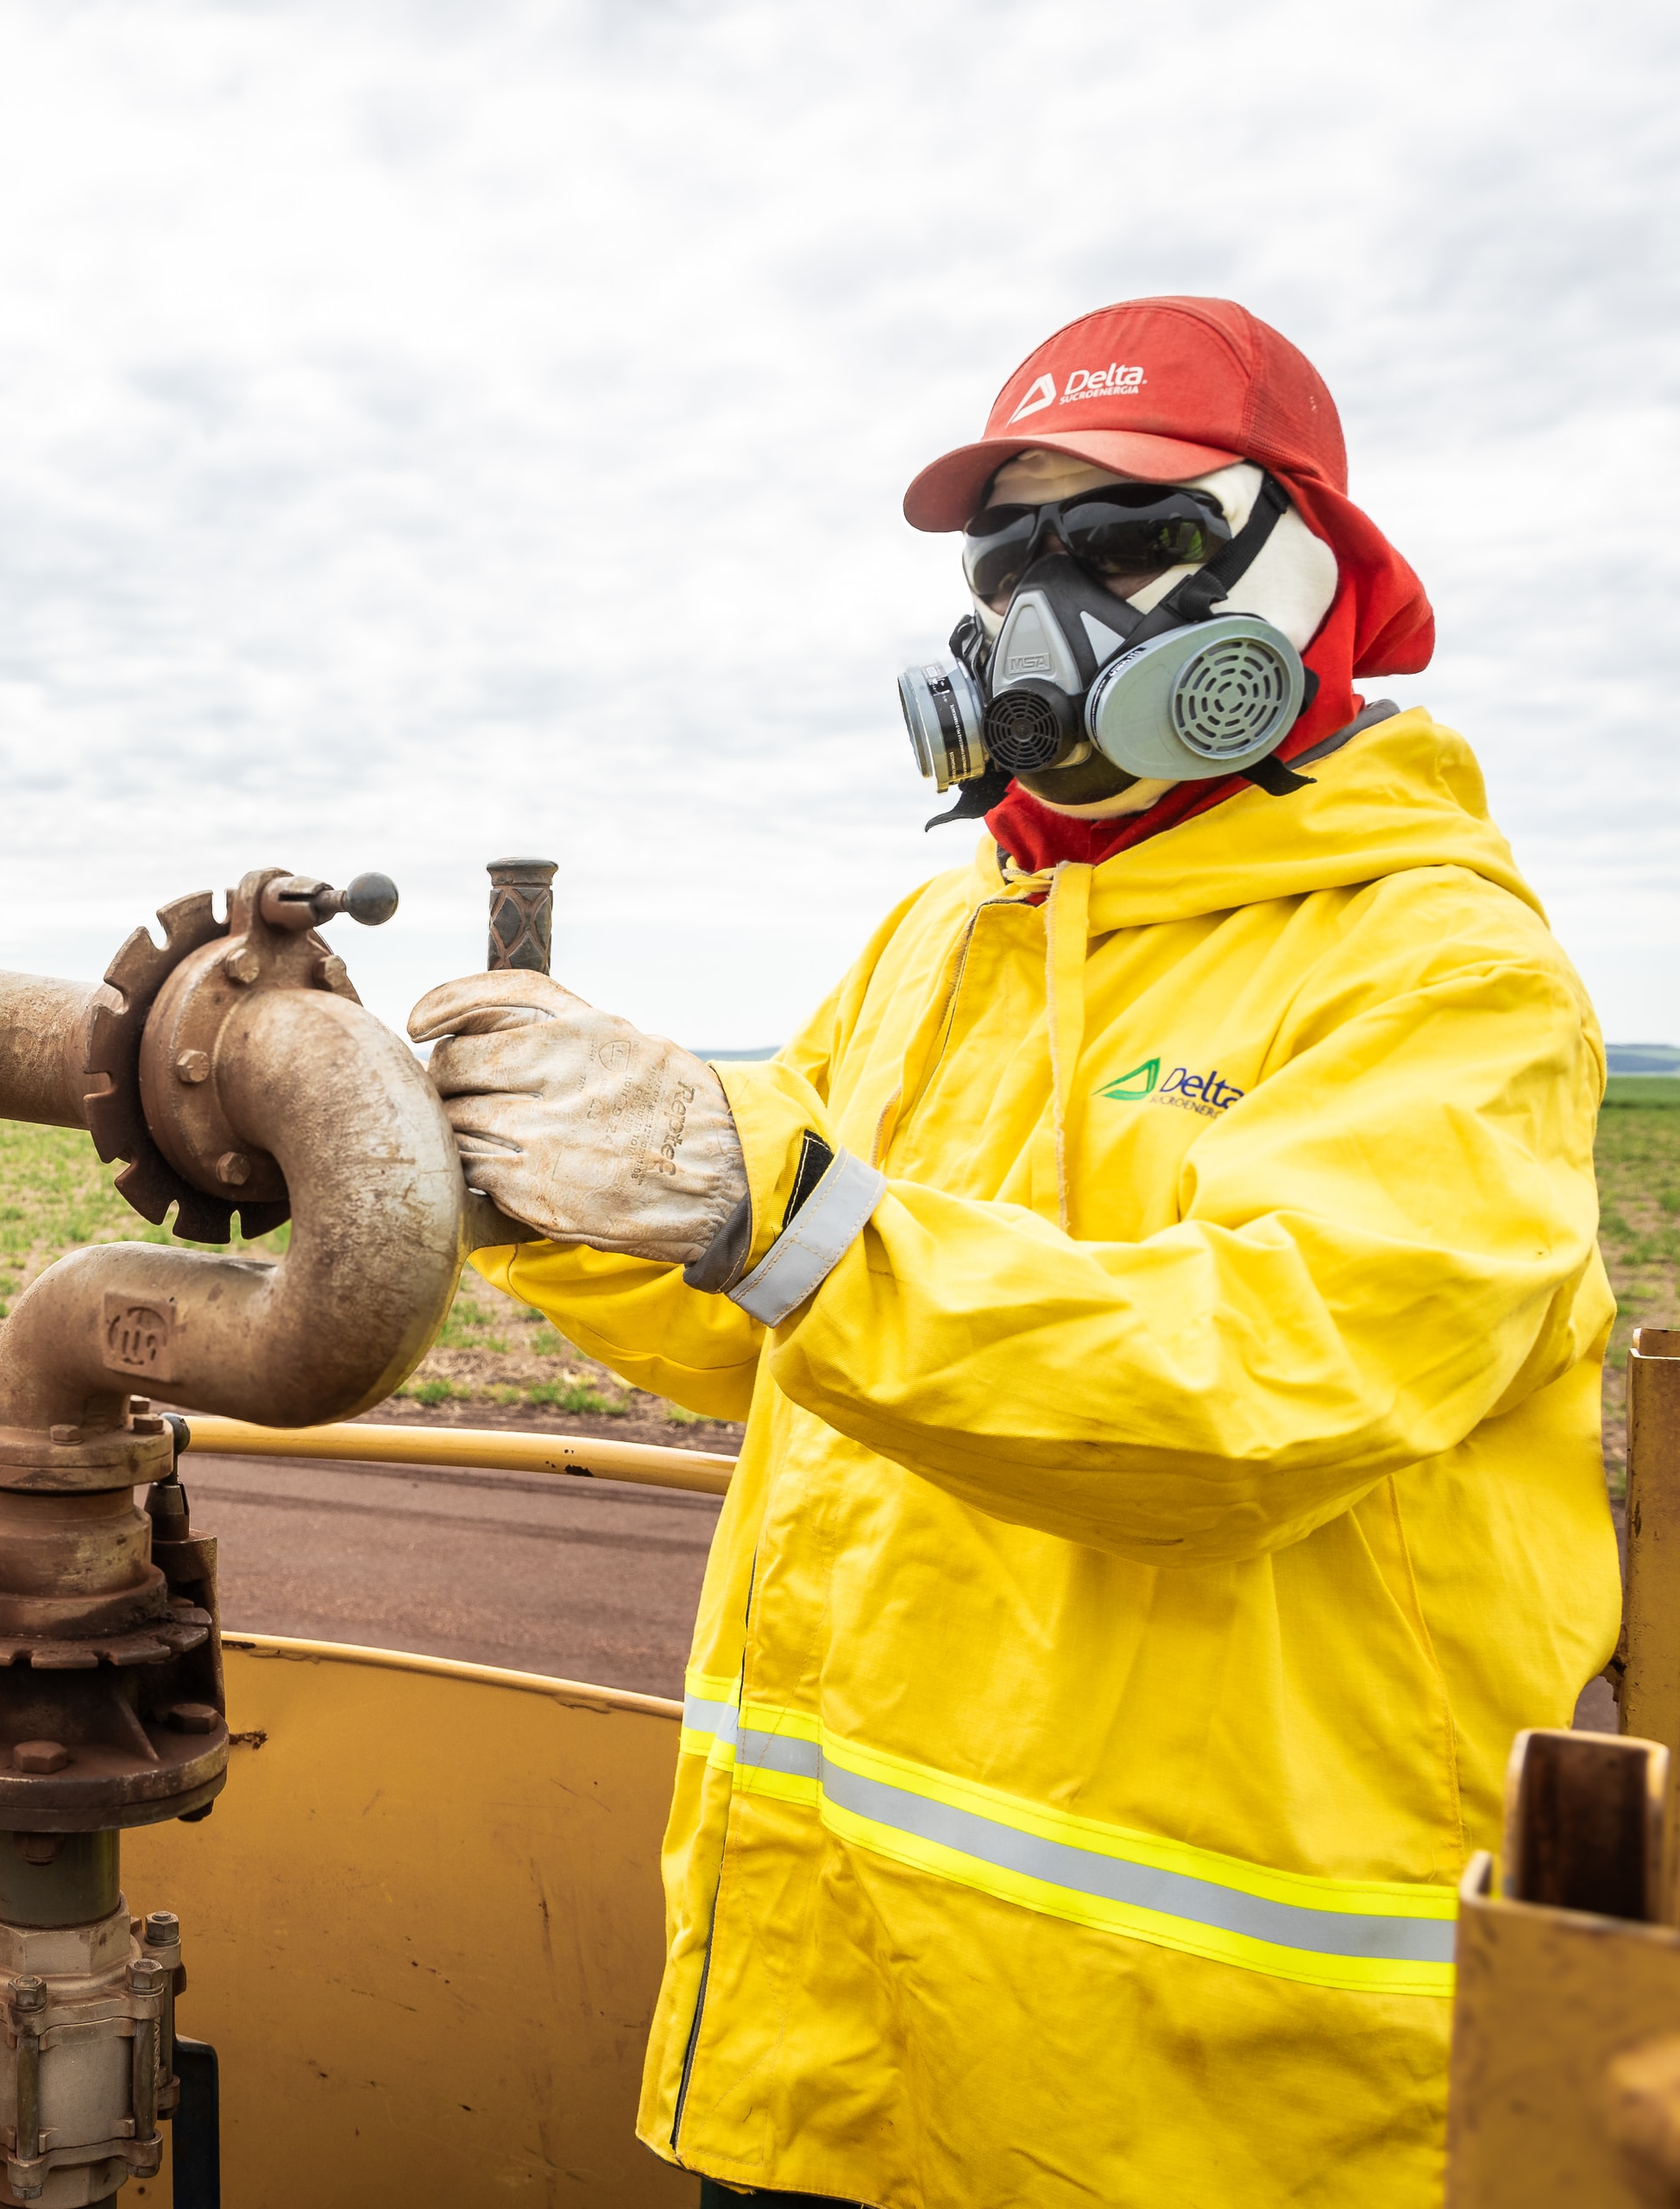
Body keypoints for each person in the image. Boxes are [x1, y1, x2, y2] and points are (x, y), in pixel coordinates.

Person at [412, 297, 1615, 2207]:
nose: (1054, 615)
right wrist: (505, 1184)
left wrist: (756, 1196)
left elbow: (1250, 1387)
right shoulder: (939, 945)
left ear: (1303, 579)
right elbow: (774, 1318)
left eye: (1133, 544)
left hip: (1210, 2103)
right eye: (1014, 559)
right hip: (826, 2033)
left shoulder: (1443, 971)